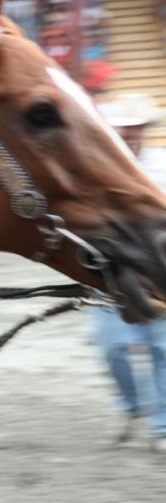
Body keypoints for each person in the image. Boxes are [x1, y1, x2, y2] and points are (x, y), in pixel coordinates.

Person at [92, 94, 166, 452]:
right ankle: (132, 405)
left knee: (161, 349)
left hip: (159, 270)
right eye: (125, 127)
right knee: (113, 347)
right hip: (112, 271)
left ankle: (163, 426)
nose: (131, 133)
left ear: (145, 130)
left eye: (136, 127)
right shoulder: (97, 167)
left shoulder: (163, 165)